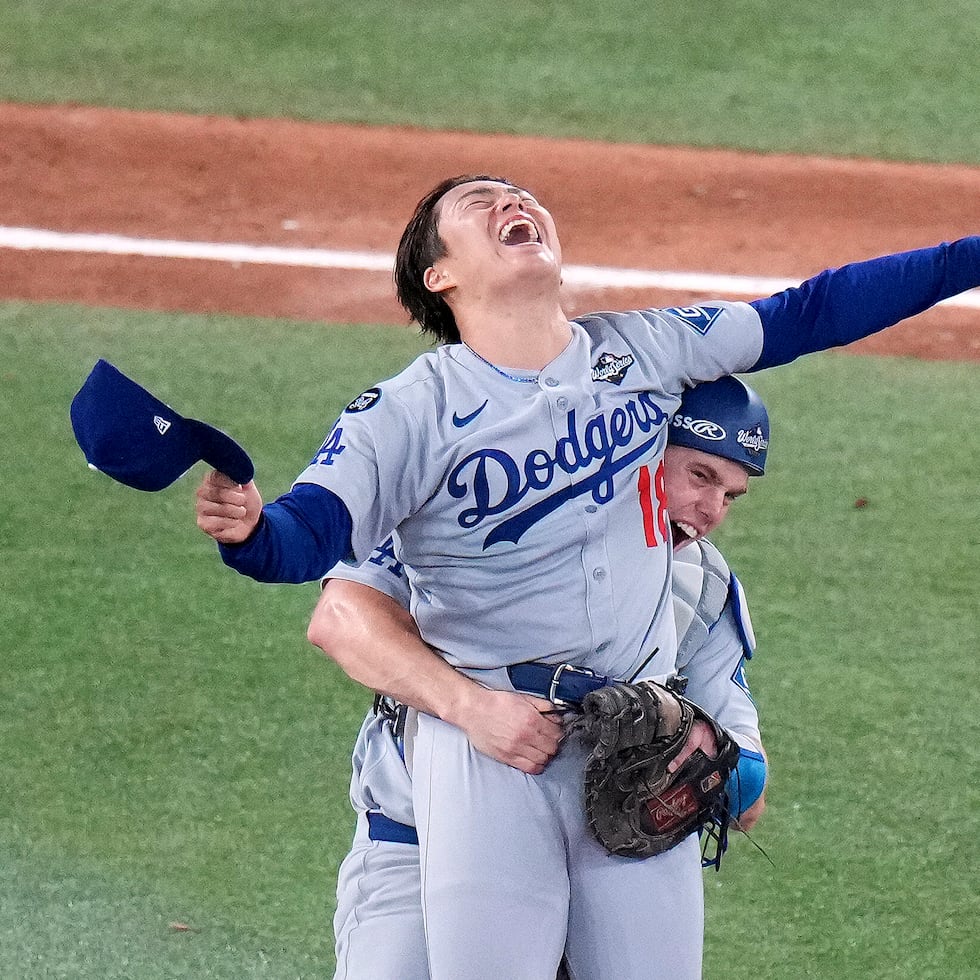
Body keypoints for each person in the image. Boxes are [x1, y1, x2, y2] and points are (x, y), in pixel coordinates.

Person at [195, 173, 979, 978]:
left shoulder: (645, 349)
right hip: (491, 743)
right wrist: (251, 529)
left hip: (638, 740)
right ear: (440, 274)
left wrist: (969, 258)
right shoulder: (405, 414)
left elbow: (813, 310)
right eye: (479, 203)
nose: (514, 204)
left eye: (521, 194)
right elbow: (301, 544)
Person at [315, 376, 771, 980]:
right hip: (415, 842)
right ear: (636, 449)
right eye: (699, 477)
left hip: (600, 861)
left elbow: (749, 798)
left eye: (730, 495)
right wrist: (472, 708)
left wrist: (699, 754)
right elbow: (340, 620)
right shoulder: (494, 519)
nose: (711, 512)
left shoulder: (703, 586)